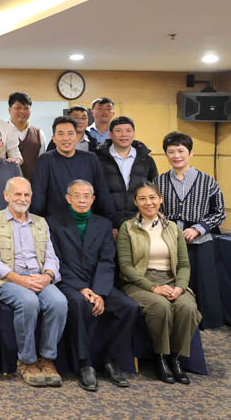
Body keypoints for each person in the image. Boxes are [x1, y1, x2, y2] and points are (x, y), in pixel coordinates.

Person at [47, 180, 137, 391]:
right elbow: (56, 261)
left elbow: (107, 261)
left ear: (93, 199)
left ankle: (111, 360)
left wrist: (99, 293)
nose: (82, 200)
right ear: (68, 198)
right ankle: (85, 364)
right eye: (77, 196)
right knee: (80, 305)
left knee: (129, 307)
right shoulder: (53, 223)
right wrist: (81, 288)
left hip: (98, 283)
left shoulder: (103, 224)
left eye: (86, 196)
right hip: (69, 283)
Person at [0, 177, 67, 387]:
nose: (22, 198)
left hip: (39, 278)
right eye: (17, 194)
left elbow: (51, 256)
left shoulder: (41, 222)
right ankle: (27, 361)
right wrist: (20, 280)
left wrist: (47, 276)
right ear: (6, 196)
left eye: (26, 194)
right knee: (29, 302)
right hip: (7, 280)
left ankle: (47, 359)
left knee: (59, 302)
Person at [116, 181, 202, 384]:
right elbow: (125, 267)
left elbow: (184, 264)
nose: (148, 203)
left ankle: (176, 359)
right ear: (135, 202)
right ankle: (160, 358)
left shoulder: (172, 228)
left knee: (187, 307)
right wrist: (153, 287)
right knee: (160, 306)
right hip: (140, 282)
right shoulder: (128, 228)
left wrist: (180, 287)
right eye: (142, 198)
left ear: (160, 200)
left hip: (172, 280)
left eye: (152, 197)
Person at [156, 132, 226, 329]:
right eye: (171, 151)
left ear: (190, 153)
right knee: (174, 280)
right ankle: (178, 322)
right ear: (166, 154)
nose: (176, 156)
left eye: (181, 151)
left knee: (203, 282)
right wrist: (167, 227)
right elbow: (155, 210)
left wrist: (198, 228)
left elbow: (219, 212)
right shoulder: (158, 181)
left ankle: (205, 322)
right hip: (169, 239)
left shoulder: (207, 181)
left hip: (200, 240)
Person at [31, 117, 114, 221]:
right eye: (61, 134)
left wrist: (111, 221)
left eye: (70, 133)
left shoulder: (91, 159)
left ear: (76, 137)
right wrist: (37, 223)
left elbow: (102, 193)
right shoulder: (45, 160)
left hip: (87, 221)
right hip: (55, 223)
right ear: (54, 138)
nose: (66, 138)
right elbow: (38, 196)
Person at [96, 116, 158, 230]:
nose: (124, 135)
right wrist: (107, 225)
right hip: (107, 223)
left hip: (140, 222)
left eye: (128, 131)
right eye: (119, 131)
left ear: (133, 134)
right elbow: (94, 193)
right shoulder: (98, 159)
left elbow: (154, 191)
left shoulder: (146, 160)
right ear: (110, 134)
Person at [6, 92, 47, 181]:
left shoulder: (39, 134)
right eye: (18, 108)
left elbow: (41, 164)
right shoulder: (1, 132)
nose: (22, 111)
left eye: (26, 108)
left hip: (32, 185)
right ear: (9, 110)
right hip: (5, 184)